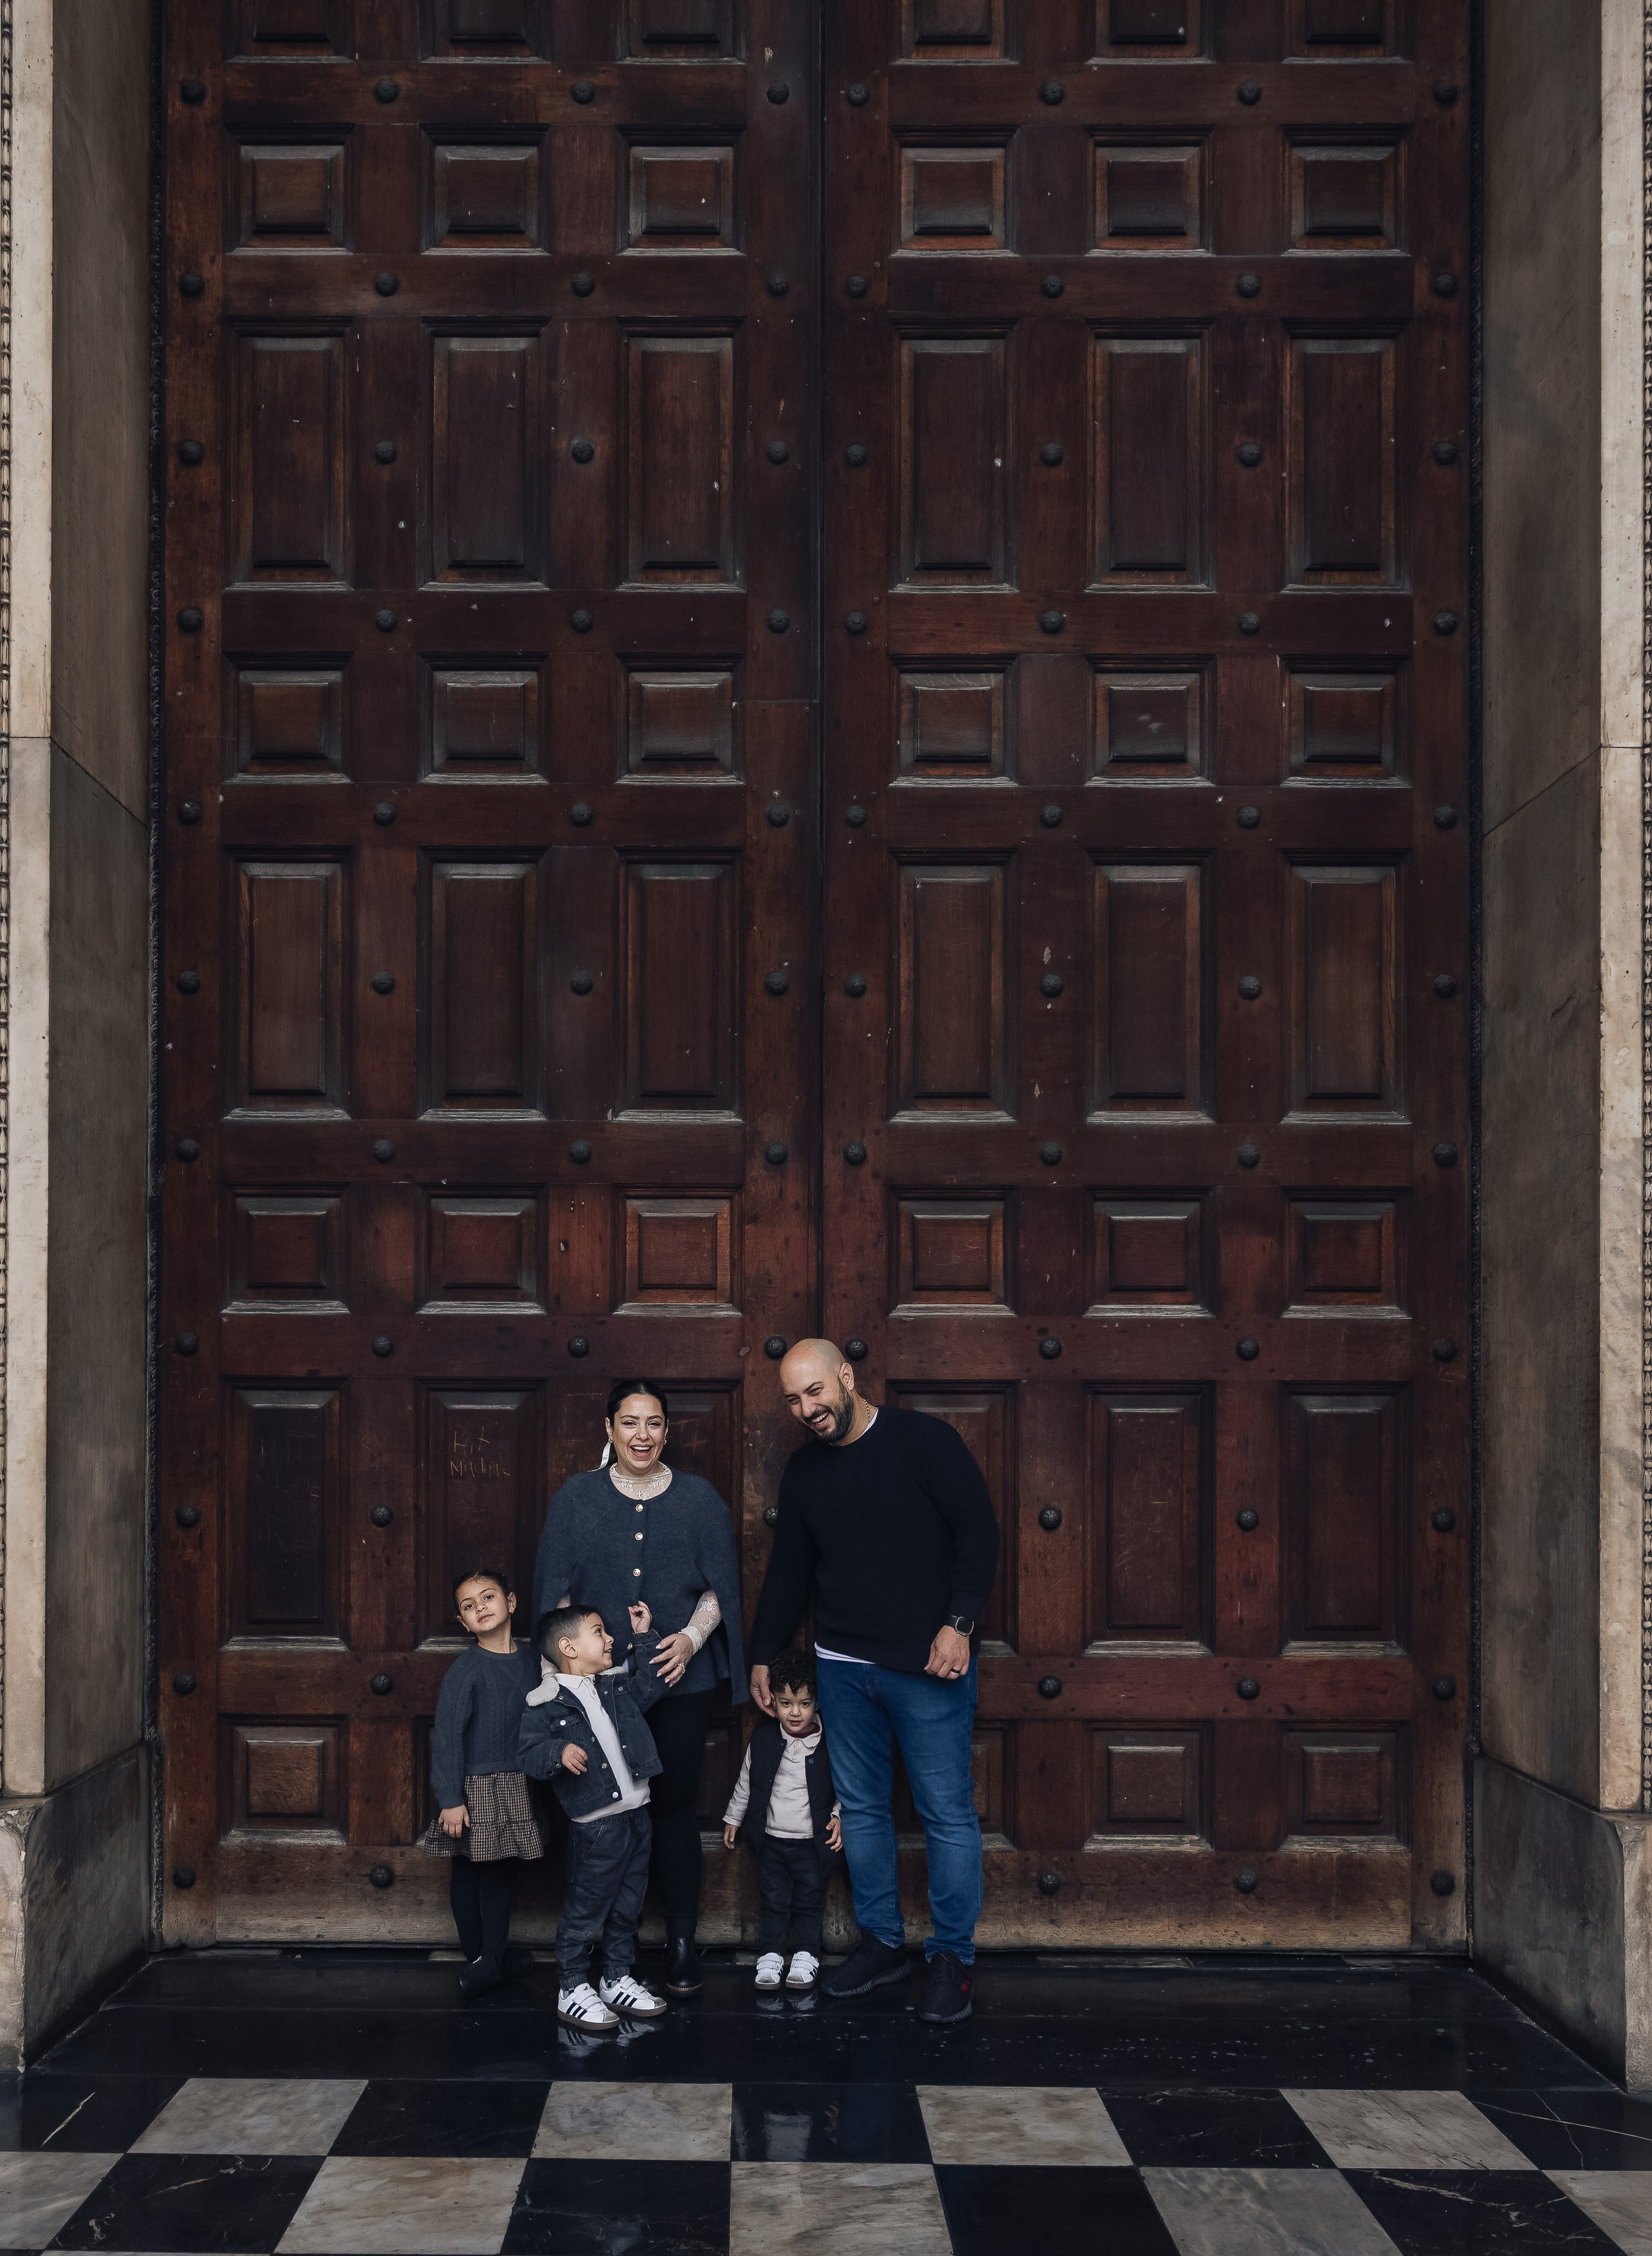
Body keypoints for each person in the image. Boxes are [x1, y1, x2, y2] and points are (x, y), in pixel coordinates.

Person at [747, 1340, 999, 2026]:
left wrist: (959, 1624)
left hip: (928, 1667)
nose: (808, 1409)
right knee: (860, 1810)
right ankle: (882, 1943)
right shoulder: (805, 1471)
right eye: (793, 1400)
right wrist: (764, 1653)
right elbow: (790, 1568)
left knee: (946, 1813)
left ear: (846, 1376)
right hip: (841, 1667)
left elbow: (979, 1534)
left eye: (815, 1392)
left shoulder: (924, 1442)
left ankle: (953, 1958)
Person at [532, 1380, 745, 1996]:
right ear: (609, 1429)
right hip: (593, 1689)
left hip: (678, 1681)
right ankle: (592, 1955)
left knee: (674, 1809)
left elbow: (721, 1588)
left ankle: (680, 1942)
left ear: (668, 1431)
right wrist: (560, 1682)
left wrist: (692, 1639)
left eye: (653, 1423)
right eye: (629, 1422)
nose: (642, 1435)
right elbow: (555, 1594)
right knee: (596, 1812)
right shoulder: (577, 1498)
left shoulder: (699, 1499)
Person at [520, 1600, 672, 2030]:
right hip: (598, 1828)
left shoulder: (615, 1688)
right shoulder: (545, 1704)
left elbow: (653, 1685)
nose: (610, 1639)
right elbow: (528, 1754)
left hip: (638, 1815)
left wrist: (644, 1637)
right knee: (586, 1911)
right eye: (599, 1632)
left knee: (628, 1906)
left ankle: (616, 1977)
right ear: (569, 1647)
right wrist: (558, 1751)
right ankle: (572, 1985)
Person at [419, 1568, 548, 1999]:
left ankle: (491, 1960)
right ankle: (484, 1960)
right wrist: (450, 1798)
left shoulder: (533, 1661)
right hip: (475, 1788)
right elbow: (448, 1737)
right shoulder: (467, 1669)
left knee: (498, 1873)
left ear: (511, 1602)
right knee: (470, 1871)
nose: (481, 1608)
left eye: (488, 1597)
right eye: (469, 1606)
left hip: (517, 1783)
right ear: (463, 1622)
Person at [721, 1644, 843, 1994]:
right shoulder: (763, 1738)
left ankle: (806, 1955)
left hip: (811, 1844)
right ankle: (771, 1956)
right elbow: (747, 1781)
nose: (795, 1712)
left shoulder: (829, 1742)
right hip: (772, 1840)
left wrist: (839, 1816)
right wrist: (734, 1816)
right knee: (773, 1900)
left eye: (804, 1704)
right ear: (773, 1700)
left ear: (817, 1703)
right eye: (786, 1703)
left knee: (809, 1900)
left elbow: (846, 1786)